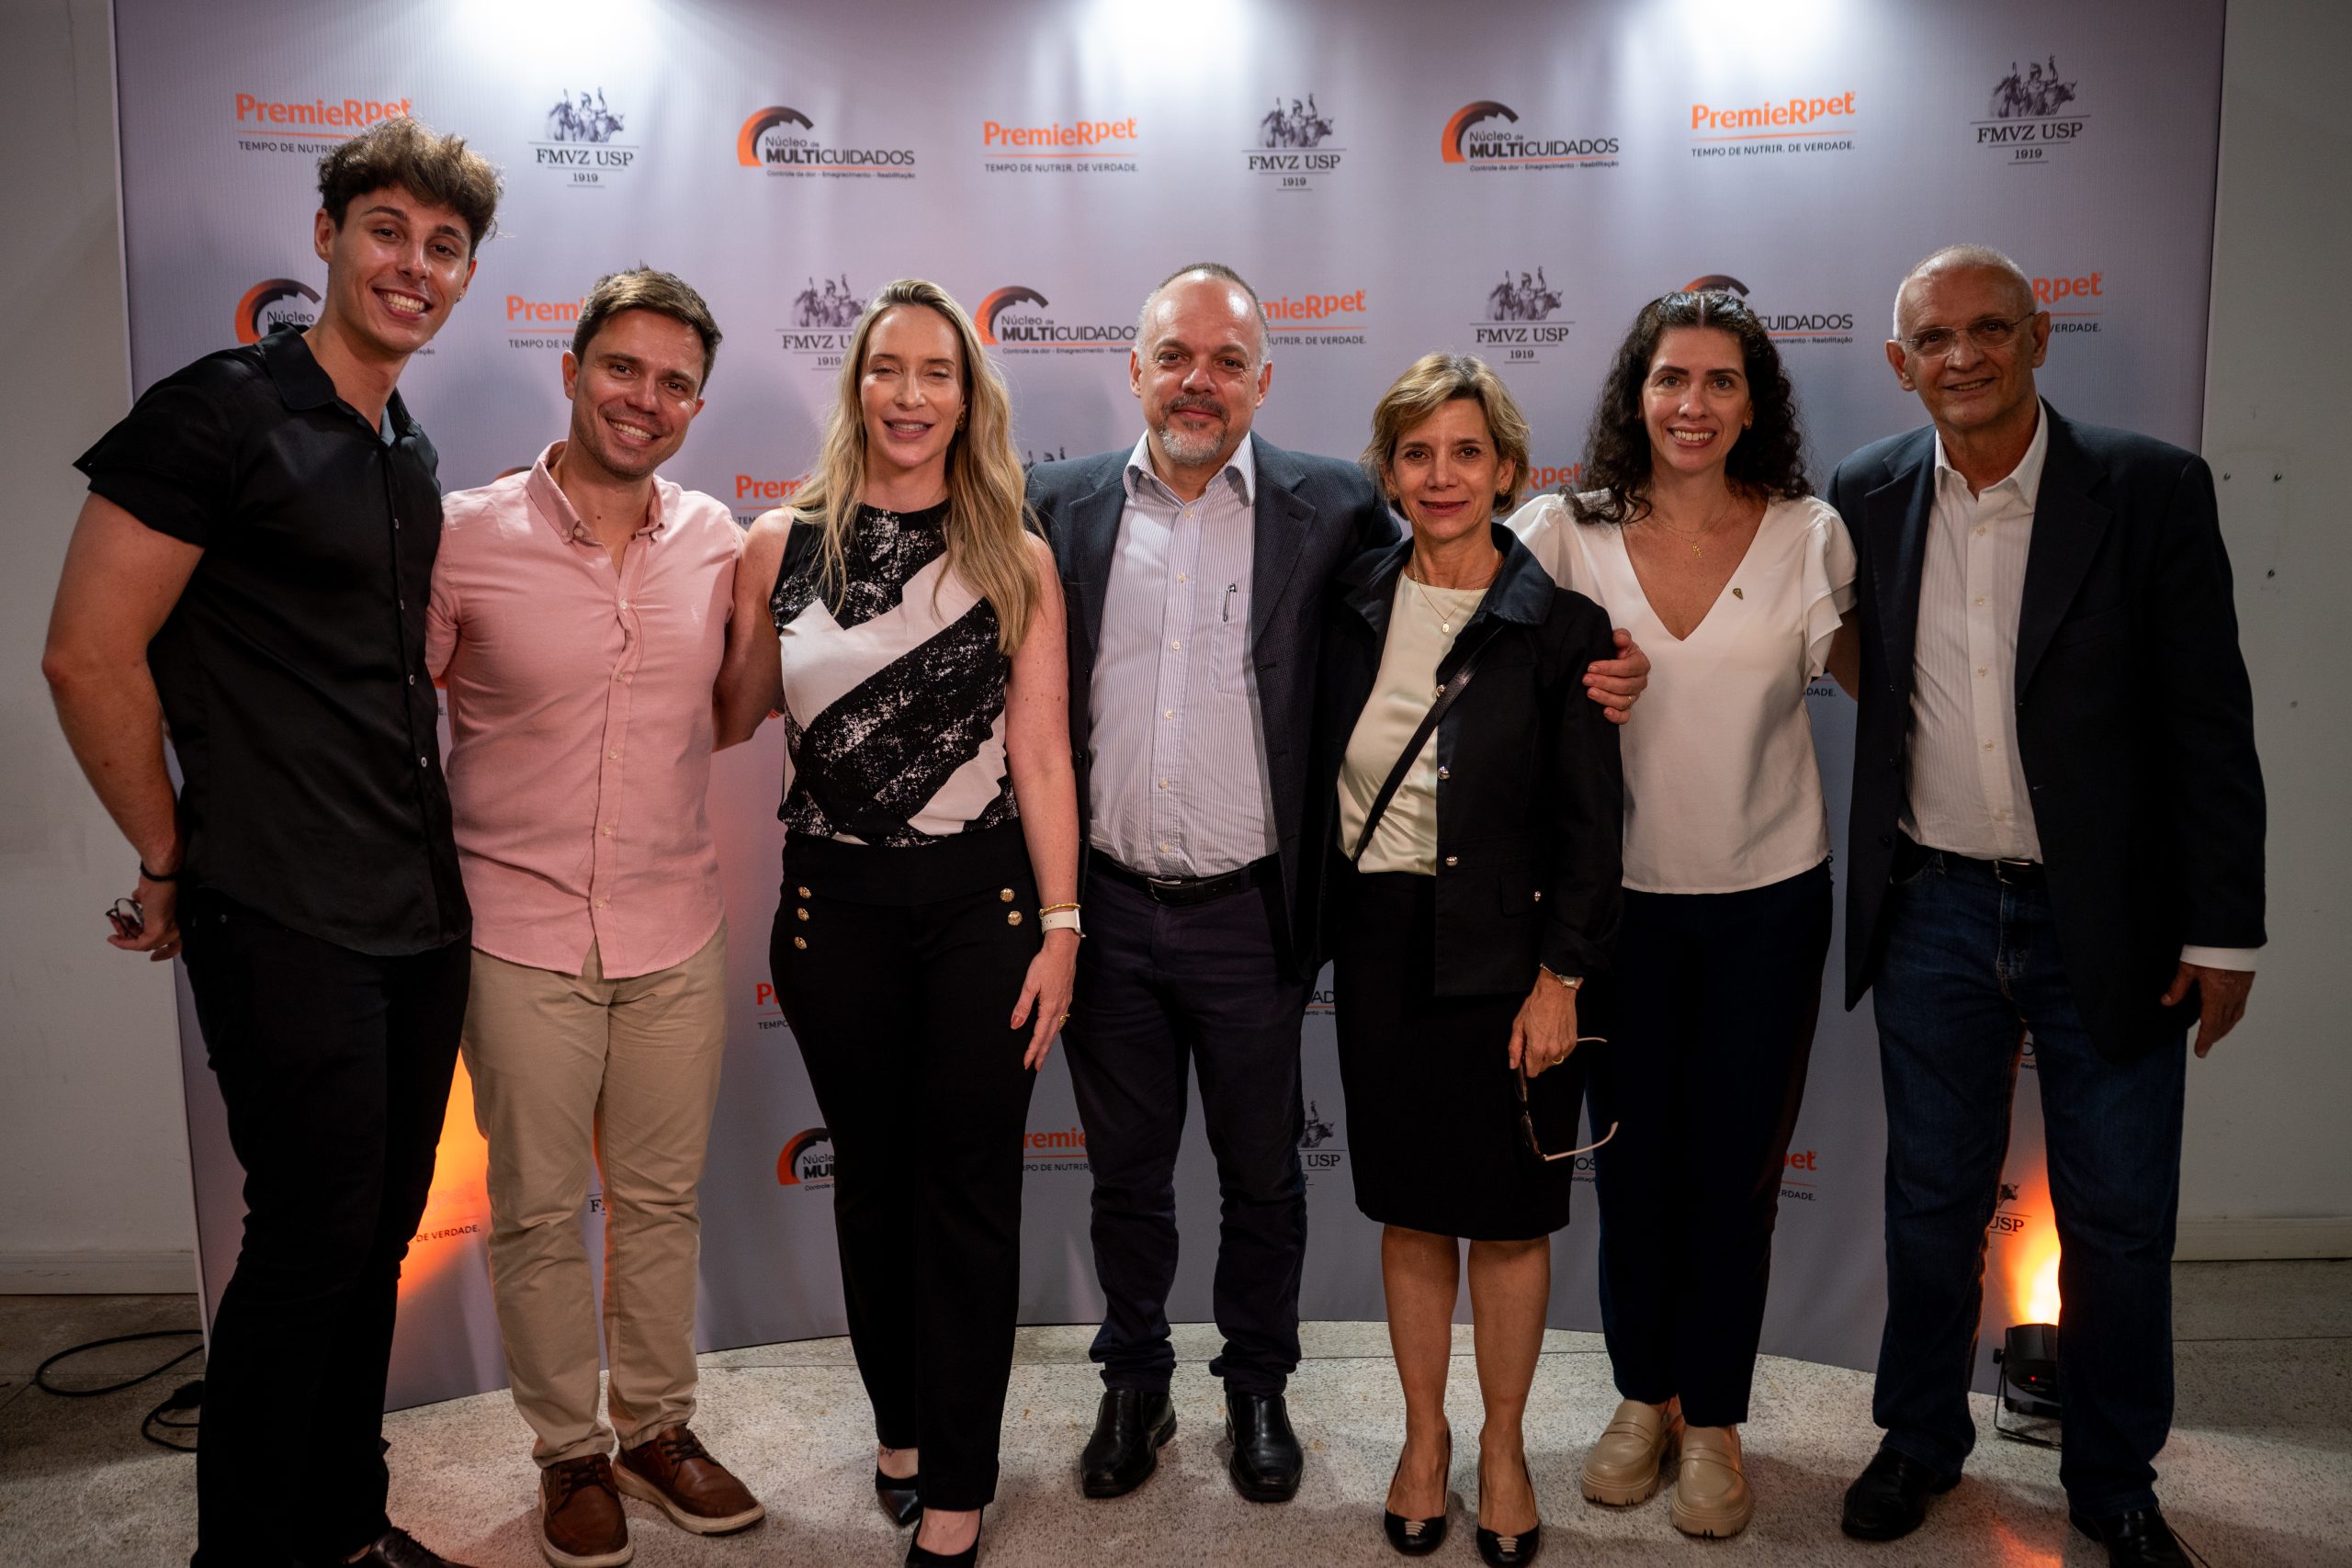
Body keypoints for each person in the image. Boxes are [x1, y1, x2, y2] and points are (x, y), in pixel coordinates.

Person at [1028, 264, 1649, 1509]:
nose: (1196, 380)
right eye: (1172, 356)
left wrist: (1608, 670)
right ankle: (1135, 1380)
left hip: (1259, 918)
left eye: (1224, 360)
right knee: (1126, 1176)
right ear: (1134, 368)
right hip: (1111, 911)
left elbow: (1482, 605)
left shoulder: (1329, 513)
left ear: (1265, 378)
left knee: (1266, 1174)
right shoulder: (1057, 506)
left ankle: (1259, 1386)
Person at [40, 118, 499, 1568]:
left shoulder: (408, 449)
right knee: (309, 1245)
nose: (411, 266)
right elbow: (87, 656)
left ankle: (345, 1532)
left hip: (420, 913)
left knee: (377, 1243)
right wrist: (168, 858)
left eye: (443, 248)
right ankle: (248, 1552)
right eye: (386, 230)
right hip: (281, 905)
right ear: (326, 236)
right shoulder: (217, 412)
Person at [1829, 245, 2264, 1568]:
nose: (1962, 356)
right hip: (1936, 911)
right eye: (1933, 339)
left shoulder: (2147, 489)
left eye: (1988, 330)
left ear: (2038, 338)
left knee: (2121, 1217)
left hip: (2114, 927)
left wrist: (2224, 929)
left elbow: (2209, 721)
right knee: (1927, 1203)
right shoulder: (1865, 492)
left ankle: (2115, 1476)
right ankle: (1917, 1437)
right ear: (1900, 364)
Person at [717, 278, 1078, 1568]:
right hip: (831, 917)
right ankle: (903, 1435)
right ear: (857, 384)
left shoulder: (1015, 555)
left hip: (980, 913)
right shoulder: (782, 547)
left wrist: (1063, 924)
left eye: (938, 373)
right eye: (888, 369)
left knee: (969, 1194)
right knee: (870, 1189)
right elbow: (732, 714)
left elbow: (1040, 754)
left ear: (967, 398)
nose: (910, 395)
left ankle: (961, 1489)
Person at [427, 268, 765, 1564]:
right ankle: (569, 1449)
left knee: (662, 1205)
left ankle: (656, 1429)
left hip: (675, 925)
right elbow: (400, 720)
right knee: (532, 1213)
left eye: (677, 382)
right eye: (626, 369)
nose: (647, 399)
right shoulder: (462, 535)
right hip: (514, 932)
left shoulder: (719, 543)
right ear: (572, 368)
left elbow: (731, 714)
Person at [1510, 289, 1859, 1540]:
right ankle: (1640, 1401)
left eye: (1719, 382)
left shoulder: (1811, 535)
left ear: (1752, 400)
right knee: (1636, 1171)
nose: (1692, 404)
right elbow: (1481, 671)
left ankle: (1713, 1418)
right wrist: (1571, 677)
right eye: (1671, 380)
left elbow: (1891, 682)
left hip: (1769, 906)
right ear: (1635, 393)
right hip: (1617, 918)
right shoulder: (1564, 531)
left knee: (1737, 1177)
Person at [1317, 354, 1623, 1566]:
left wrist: (1563, 978)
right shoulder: (1345, 605)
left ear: (1507, 468)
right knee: (1409, 1216)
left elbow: (1595, 832)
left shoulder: (1565, 628)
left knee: (1504, 1222)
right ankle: (1421, 1441)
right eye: (1415, 453)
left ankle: (1500, 1447)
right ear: (1389, 471)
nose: (1440, 477)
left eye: (1465, 453)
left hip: (1510, 957)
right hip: (1383, 948)